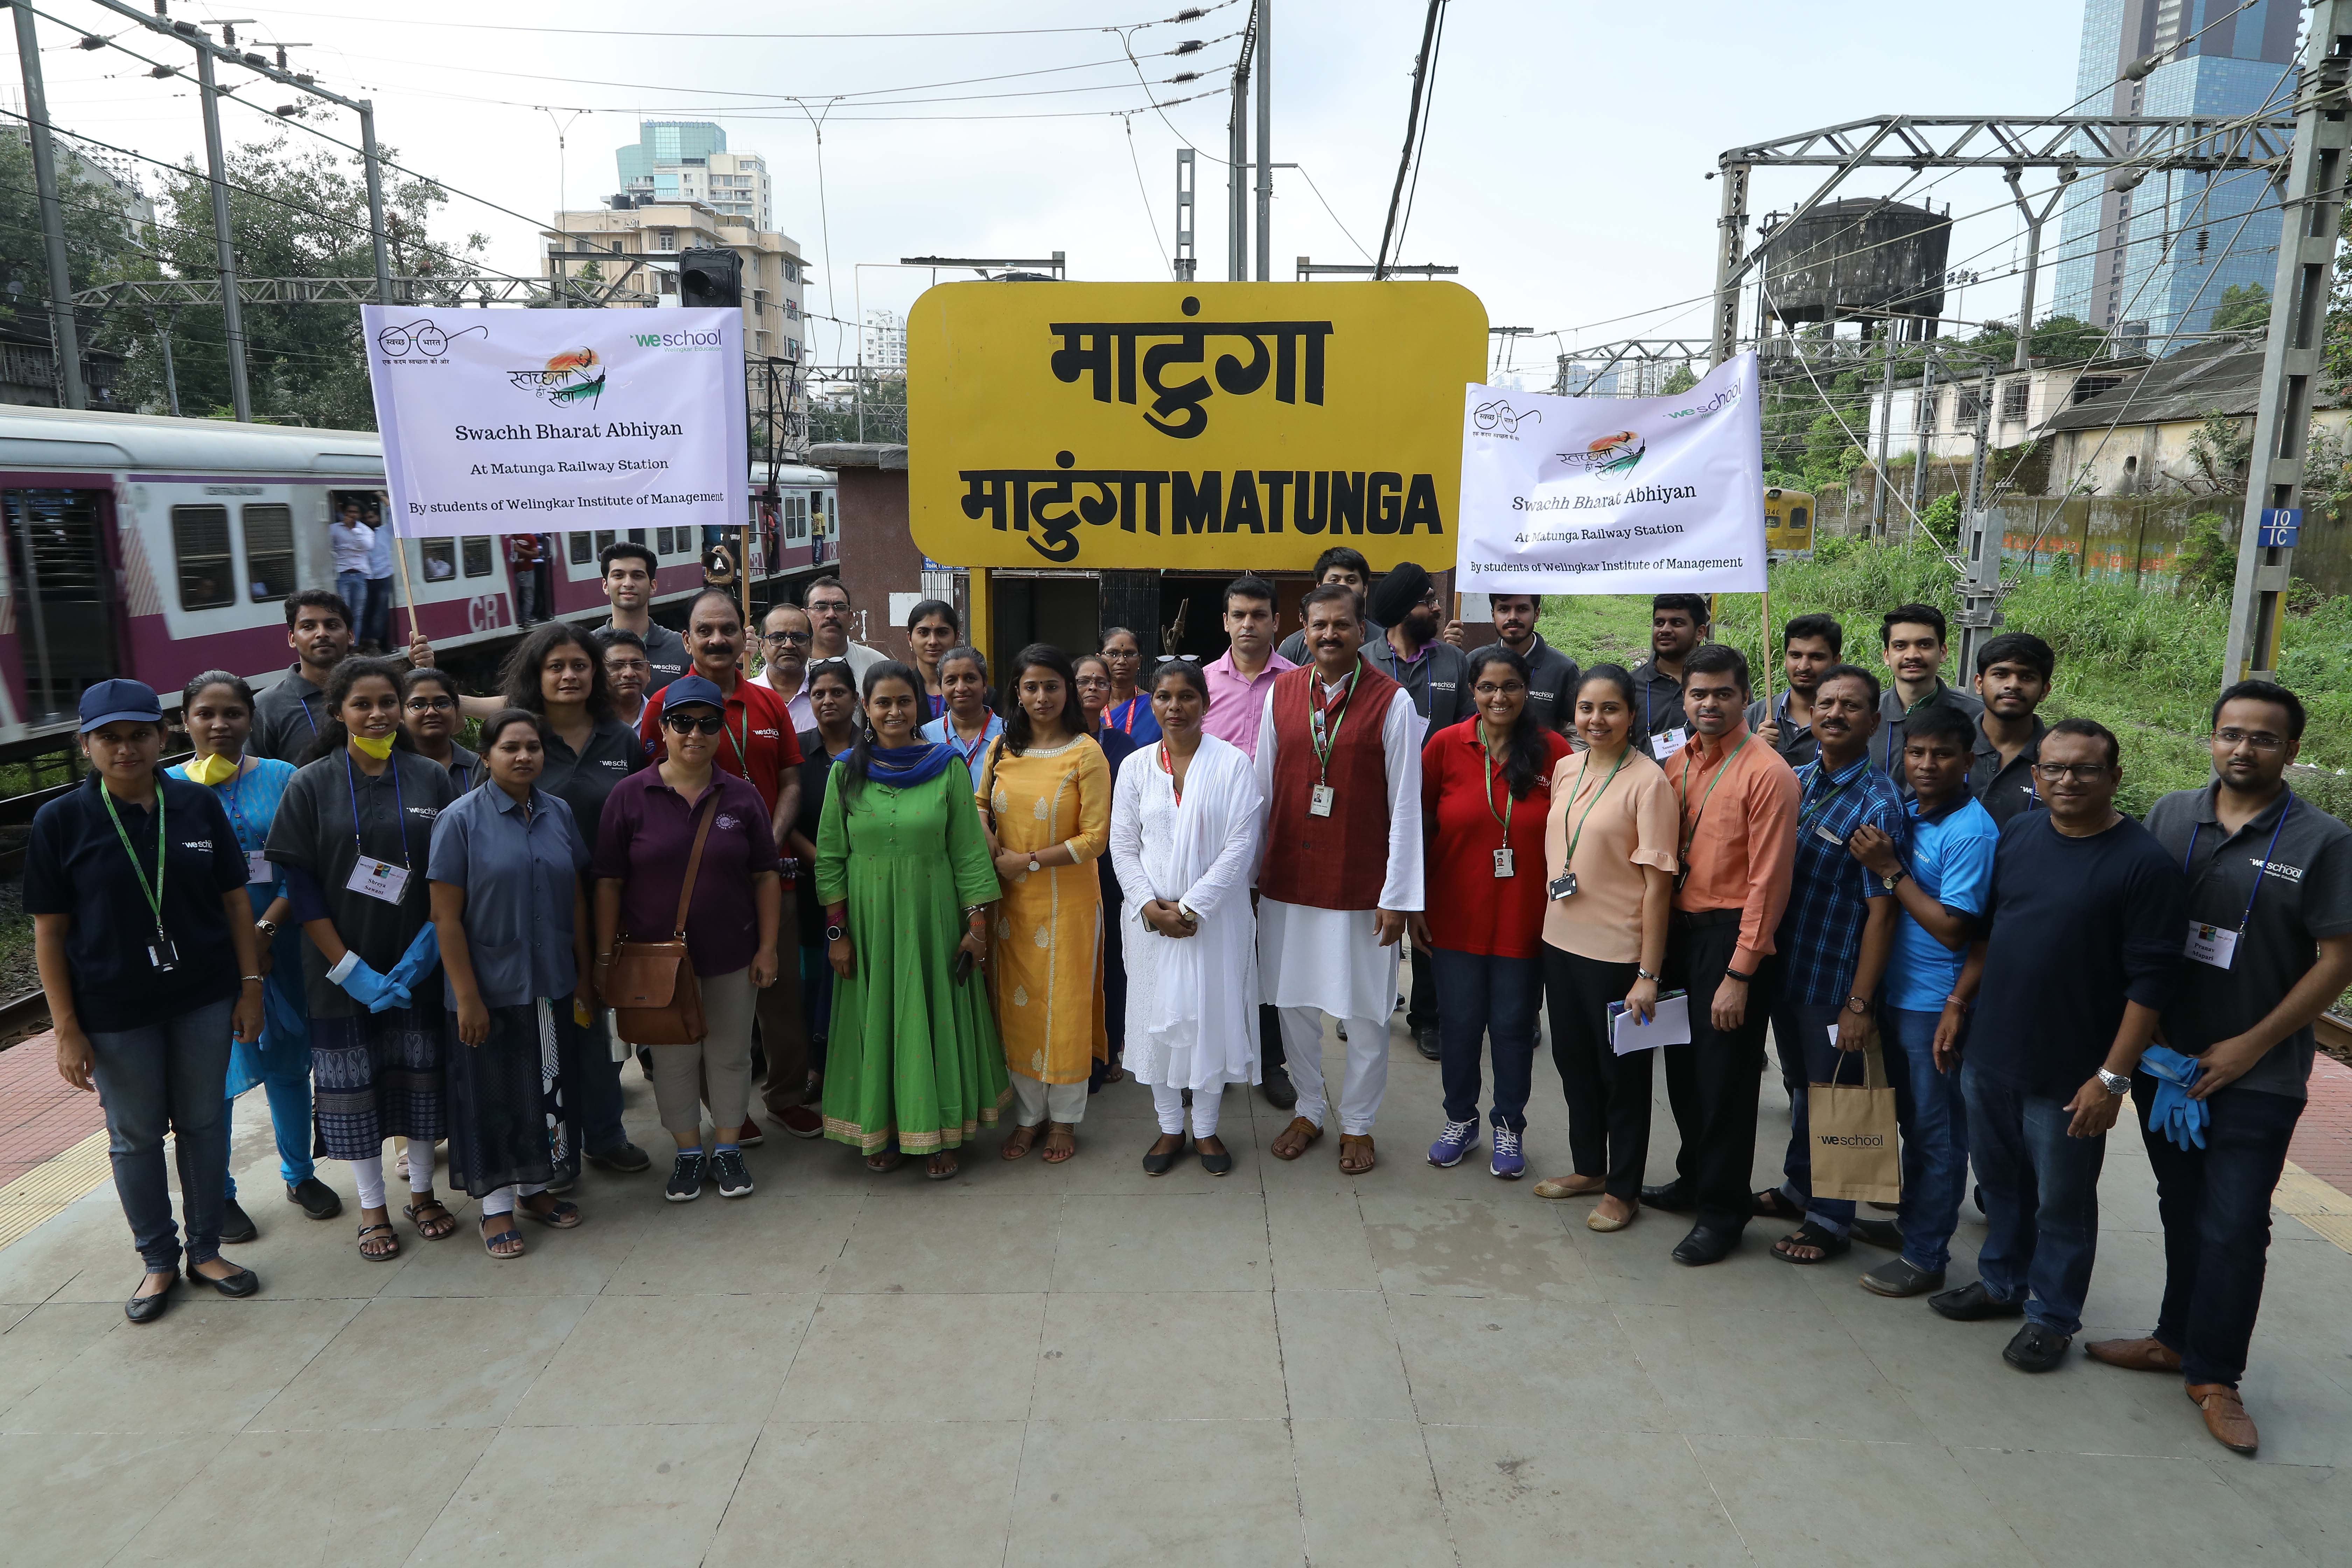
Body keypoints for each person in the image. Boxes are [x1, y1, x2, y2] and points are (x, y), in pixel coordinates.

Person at [2092, 682, 2352, 1452]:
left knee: (2236, 1224)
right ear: (2211, 739)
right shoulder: (2174, 813)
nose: (2244, 749)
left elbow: (2338, 959)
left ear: (2292, 751)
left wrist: (2253, 1044)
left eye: (2264, 739)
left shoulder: (2323, 840)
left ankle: (2216, 1374)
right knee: (2181, 1204)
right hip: (2169, 1064)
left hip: (2257, 1072)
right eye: (2231, 734)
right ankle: (2174, 1336)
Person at [1931, 719, 2185, 1372]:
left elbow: (2151, 987)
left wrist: (2112, 1080)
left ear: (2115, 778)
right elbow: (1989, 932)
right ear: (2035, 776)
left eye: (2085, 770)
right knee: (2000, 1184)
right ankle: (2001, 1283)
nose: (2067, 780)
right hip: (1992, 1053)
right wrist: (1959, 1003)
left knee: (2062, 1204)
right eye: (2054, 769)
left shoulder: (2142, 865)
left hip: (2072, 1072)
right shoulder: (2021, 833)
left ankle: (2052, 1316)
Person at [29, 679, 266, 1322]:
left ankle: (208, 1250)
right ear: (86, 746)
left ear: (163, 737)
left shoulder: (194, 806)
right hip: (113, 1012)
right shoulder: (61, 822)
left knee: (204, 1123)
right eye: (108, 737)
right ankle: (158, 1261)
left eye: (139, 734)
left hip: (202, 998)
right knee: (135, 1138)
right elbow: (50, 932)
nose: (125, 748)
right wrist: (66, 1029)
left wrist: (250, 990)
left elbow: (236, 902)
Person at [264, 656, 461, 1262]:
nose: (377, 714)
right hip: (339, 970)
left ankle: (424, 1194)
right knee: (353, 1090)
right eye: (362, 704)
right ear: (339, 712)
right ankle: (372, 1208)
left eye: (387, 703)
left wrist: (427, 950)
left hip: (417, 964)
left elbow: (452, 871)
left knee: (420, 1080)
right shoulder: (310, 783)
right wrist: (348, 966)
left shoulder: (430, 776)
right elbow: (298, 884)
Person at [1638, 644, 1801, 1266]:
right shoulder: (1678, 761)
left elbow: (1770, 883)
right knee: (1682, 1070)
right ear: (1685, 697)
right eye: (1699, 694)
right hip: (1678, 933)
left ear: (1744, 699)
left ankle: (1724, 1212)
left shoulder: (1768, 773)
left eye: (1723, 695)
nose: (1710, 705)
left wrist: (1741, 971)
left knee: (1725, 1082)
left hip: (1729, 941)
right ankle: (1694, 1177)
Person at [592, 676, 783, 1202]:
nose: (694, 734)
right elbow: (608, 881)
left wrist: (768, 947)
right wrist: (606, 956)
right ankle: (688, 1154)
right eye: (682, 722)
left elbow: (766, 875)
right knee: (673, 1060)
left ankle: (727, 1149)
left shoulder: (740, 796)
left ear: (722, 729)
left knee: (730, 1054)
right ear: (663, 728)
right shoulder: (630, 796)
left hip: (732, 953)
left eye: (708, 723)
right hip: (656, 961)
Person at [816, 660, 1007, 1177]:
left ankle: (942, 1135)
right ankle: (884, 1130)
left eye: (904, 701)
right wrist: (838, 933)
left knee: (933, 1018)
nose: (894, 711)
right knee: (878, 1023)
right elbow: (831, 857)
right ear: (867, 708)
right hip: (870, 923)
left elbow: (968, 851)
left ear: (917, 707)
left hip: (934, 919)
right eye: (883, 703)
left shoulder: (945, 766)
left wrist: (977, 927)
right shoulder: (845, 772)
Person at [1258, 584, 1424, 1176]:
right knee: (1294, 1003)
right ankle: (1309, 1108)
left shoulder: (1393, 701)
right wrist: (1253, 877)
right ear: (1303, 630)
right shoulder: (1282, 693)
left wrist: (1400, 897)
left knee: (1366, 1011)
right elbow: (1262, 790)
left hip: (1361, 884)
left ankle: (1358, 1122)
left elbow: (1406, 805)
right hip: (1289, 879)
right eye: (1319, 625)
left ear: (1364, 632)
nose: (1330, 636)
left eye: (1342, 626)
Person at [169, 673, 338, 1242]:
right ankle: (219, 1194)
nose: (220, 725)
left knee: (291, 1068)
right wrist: (231, 945)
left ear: (250, 719)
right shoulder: (165, 787)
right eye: (206, 714)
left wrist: (265, 931)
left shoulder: (283, 778)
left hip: (283, 947)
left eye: (233, 714)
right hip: (206, 961)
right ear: (185, 721)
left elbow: (302, 867)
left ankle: (299, 1174)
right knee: (212, 1081)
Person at [636, 589, 810, 1140]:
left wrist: (767, 843)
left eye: (729, 630)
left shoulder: (768, 706)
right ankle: (726, 1112)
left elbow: (789, 782)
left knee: (780, 995)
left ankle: (785, 1096)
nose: (718, 640)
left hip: (769, 881)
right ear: (686, 640)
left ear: (745, 637)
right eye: (705, 631)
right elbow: (647, 791)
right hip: (694, 890)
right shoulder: (661, 704)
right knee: (702, 999)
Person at [1843, 701, 1997, 1298]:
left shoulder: (1972, 832)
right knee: (1911, 1121)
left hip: (1935, 1007)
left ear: (1968, 760)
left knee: (1938, 1132)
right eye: (1916, 754)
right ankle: (1912, 1224)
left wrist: (1889, 869)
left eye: (1941, 755)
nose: (1927, 765)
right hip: (1896, 994)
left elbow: (1954, 928)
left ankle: (1927, 1255)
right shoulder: (1909, 811)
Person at [1756, 663, 1907, 1265]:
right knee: (1803, 1089)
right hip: (1785, 970)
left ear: (1873, 721)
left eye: (1850, 706)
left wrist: (1860, 1003)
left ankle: (1831, 1221)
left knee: (1843, 1097)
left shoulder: (1879, 803)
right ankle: (1800, 1188)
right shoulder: (1793, 780)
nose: (1835, 714)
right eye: (1825, 704)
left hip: (1835, 977)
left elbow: (1884, 914)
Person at [429, 709, 591, 1257]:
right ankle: (495, 1209)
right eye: (510, 748)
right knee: (492, 1098)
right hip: (487, 988)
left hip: (549, 980)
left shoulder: (559, 812)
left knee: (545, 1089)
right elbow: (445, 918)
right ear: (488, 754)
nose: (524, 757)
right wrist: (468, 997)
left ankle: (535, 1189)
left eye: (533, 747)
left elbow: (575, 896)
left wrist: (585, 971)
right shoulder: (459, 820)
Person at [498, 621, 652, 1179]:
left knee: (596, 1023)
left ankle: (605, 1135)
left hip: (610, 909)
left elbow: (643, 818)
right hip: (537, 913)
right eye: (556, 667)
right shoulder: (518, 738)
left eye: (581, 666)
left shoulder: (622, 740)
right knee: (544, 1033)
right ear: (535, 676)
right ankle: (550, 1148)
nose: (569, 676)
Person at [1415, 645, 1573, 1178]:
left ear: (1527, 691)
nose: (1498, 697)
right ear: (1472, 692)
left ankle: (1509, 1124)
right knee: (1458, 1025)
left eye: (1510, 687)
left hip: (1525, 918)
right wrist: (1413, 903)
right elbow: (1420, 826)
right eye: (1487, 687)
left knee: (1511, 1026)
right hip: (1454, 914)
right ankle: (1460, 1119)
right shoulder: (1444, 746)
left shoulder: (1553, 752)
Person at [1533, 665, 1678, 1231]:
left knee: (1623, 1078)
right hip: (1560, 943)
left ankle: (1625, 1189)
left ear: (1632, 715)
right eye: (1588, 708)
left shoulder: (1649, 783)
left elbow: (1658, 887)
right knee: (1573, 1065)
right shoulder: (1567, 768)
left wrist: (1649, 973)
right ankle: (1590, 1167)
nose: (1598, 719)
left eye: (1611, 709)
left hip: (1619, 955)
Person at [1111, 659, 1263, 1176]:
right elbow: (1122, 845)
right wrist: (1150, 907)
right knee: (1156, 1020)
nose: (1174, 707)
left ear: (1206, 702)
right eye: (1164, 697)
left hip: (1213, 919)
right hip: (1151, 917)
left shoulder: (1233, 764)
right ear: (1151, 702)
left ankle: (1206, 1130)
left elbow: (1242, 844)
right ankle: (1171, 1126)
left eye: (1186, 697)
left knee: (1210, 1019)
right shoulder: (1135, 767)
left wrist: (1192, 906)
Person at [980, 644, 1113, 1163]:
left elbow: (1095, 838)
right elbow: (978, 803)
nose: (1041, 697)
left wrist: (1028, 861)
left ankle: (1065, 1120)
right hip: (1011, 904)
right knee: (1018, 1006)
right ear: (1017, 691)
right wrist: (987, 835)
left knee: (1065, 1006)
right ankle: (1028, 1117)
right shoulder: (1002, 747)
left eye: (1052, 686)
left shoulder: (1087, 752)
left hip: (1069, 906)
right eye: (1031, 687)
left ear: (1069, 692)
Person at [1364, 560, 1469, 1062]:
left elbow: (1472, 734)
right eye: (1428, 598)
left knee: (1431, 920)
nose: (1436, 606)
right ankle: (1365, 1008)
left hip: (1436, 814)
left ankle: (1428, 1018)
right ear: (1404, 608)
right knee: (1370, 916)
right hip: (1373, 814)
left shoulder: (1453, 662)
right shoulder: (1363, 660)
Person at [1203, 574, 1298, 1108]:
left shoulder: (1298, 682)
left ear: (1276, 622)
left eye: (1258, 615)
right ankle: (1211, 1060)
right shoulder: (1201, 683)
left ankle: (1270, 1062)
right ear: (1225, 621)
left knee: (1269, 955)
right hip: (1213, 841)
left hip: (1280, 834)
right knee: (1214, 949)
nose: (1248, 625)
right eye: (1238, 615)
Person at [788, 659, 860, 1096]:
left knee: (857, 976)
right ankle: (817, 1066)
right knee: (814, 979)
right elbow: (785, 820)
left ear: (856, 699)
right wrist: (825, 863)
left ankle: (857, 1062)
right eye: (819, 694)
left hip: (871, 884)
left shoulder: (876, 749)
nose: (828, 701)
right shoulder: (796, 753)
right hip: (813, 884)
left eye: (838, 693)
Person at [1072, 652, 1138, 1088]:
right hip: (1065, 866)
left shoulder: (1123, 747)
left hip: (1112, 868)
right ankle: (1075, 1049)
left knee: (1112, 959)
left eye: (1100, 682)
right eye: (1084, 681)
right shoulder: (1055, 742)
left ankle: (1111, 1044)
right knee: (1074, 960)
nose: (1093, 688)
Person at [1875, 603, 1983, 785]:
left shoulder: (1977, 717)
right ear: (1887, 656)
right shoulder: (1867, 714)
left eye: (1924, 645)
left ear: (1943, 652)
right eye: (1900, 646)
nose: (1912, 655)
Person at [253, 590, 354, 765]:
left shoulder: (375, 695)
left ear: (351, 636)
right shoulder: (265, 707)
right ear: (292, 639)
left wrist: (418, 669)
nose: (322, 634)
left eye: (332, 625)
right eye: (308, 627)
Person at [1970, 631, 2054, 827]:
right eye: (2001, 674)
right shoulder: (1948, 747)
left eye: (2027, 677)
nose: (2013, 685)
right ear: (1979, 683)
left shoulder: (2059, 761)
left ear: (2044, 691)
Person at [1748, 613, 1842, 768]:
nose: (1804, 667)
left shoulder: (1845, 720)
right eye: (1796, 656)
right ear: (1785, 659)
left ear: (1836, 661)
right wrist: (1754, 752)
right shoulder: (1755, 716)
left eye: (1816, 657)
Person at [598, 541, 691, 687]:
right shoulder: (588, 647)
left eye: (638, 576)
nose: (628, 583)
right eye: (618, 576)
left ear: (653, 586)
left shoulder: (682, 649)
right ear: (605, 586)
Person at [1486, 593, 1580, 734]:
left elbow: (1577, 725)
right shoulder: (1475, 661)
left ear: (1537, 614)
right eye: (1504, 610)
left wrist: (1564, 755)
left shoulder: (1563, 668)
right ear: (1493, 615)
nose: (1513, 617)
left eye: (1522, 609)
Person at [1632, 593, 1709, 763]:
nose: (1665, 630)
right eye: (1659, 623)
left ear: (1700, 632)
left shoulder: (1719, 684)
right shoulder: (1631, 685)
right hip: (1648, 786)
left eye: (1677, 623)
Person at [1275, 546, 1384, 664]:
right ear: (1319, 588)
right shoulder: (1293, 647)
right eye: (1334, 581)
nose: (1343, 586)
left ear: (1365, 590)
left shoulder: (1384, 642)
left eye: (1351, 581)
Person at [920, 645, 1005, 791]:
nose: (960, 688)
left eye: (970, 679)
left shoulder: (1009, 734)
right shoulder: (926, 736)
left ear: (985, 684)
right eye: (951, 681)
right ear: (940, 687)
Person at [402, 667, 480, 790]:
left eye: (442, 704)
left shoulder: (481, 768)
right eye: (418, 705)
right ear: (400, 715)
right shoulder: (388, 770)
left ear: (457, 710)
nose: (431, 712)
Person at [803, 574, 886, 684]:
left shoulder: (877, 664)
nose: (831, 615)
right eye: (821, 607)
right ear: (804, 617)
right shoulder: (792, 668)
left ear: (851, 617)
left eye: (840, 607)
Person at [756, 602, 818, 731]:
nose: (789, 645)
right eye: (778, 638)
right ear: (762, 647)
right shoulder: (745, 698)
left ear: (811, 646)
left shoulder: (826, 699)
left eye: (798, 638)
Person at [1099, 626, 1163, 744]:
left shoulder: (1155, 705)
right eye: (1113, 654)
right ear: (1099, 659)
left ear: (1139, 660)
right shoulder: (1090, 705)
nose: (1122, 661)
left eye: (1129, 654)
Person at [906, 598, 961, 719]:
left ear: (956, 637)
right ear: (910, 639)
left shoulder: (978, 693)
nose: (933, 642)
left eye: (942, 633)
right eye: (924, 633)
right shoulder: (901, 690)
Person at [598, 628, 653, 732]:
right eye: (617, 666)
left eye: (637, 665)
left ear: (648, 671)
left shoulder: (665, 718)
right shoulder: (584, 724)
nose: (629, 674)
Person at [330, 505, 374, 632]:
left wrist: (355, 531)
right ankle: (344, 645)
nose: (353, 515)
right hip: (342, 575)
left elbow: (368, 546)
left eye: (356, 512)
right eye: (350, 512)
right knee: (344, 613)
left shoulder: (365, 530)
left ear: (360, 515)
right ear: (345, 513)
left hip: (360, 576)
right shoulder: (334, 529)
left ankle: (353, 645)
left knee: (358, 614)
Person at [363, 506, 397, 650]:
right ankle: (371, 643)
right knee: (367, 612)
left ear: (378, 518)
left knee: (381, 613)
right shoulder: (361, 534)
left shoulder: (385, 531)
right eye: (367, 518)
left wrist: (381, 496)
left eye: (372, 517)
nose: (370, 520)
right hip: (367, 578)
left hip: (383, 577)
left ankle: (381, 644)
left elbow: (395, 513)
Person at [507, 532, 546, 626]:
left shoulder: (530, 538)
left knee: (528, 596)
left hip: (528, 570)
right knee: (516, 596)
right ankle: (518, 618)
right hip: (513, 572)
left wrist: (519, 550)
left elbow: (535, 554)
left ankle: (526, 619)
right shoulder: (509, 537)